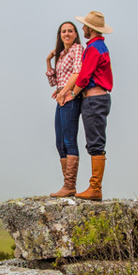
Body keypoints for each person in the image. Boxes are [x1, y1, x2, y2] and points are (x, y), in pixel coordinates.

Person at [55, 10, 113, 201]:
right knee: (94, 142)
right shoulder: (96, 46)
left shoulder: (94, 48)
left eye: (84, 26)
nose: (82, 28)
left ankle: (95, 188)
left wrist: (71, 93)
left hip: (94, 99)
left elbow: (84, 75)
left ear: (91, 28)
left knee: (95, 143)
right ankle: (92, 186)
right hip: (94, 99)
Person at [45, 20, 83, 197]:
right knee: (59, 142)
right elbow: (54, 82)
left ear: (75, 34)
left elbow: (77, 73)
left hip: (70, 99)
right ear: (60, 35)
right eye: (63, 32)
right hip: (61, 98)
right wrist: (48, 61)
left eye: (70, 31)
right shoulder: (61, 54)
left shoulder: (77, 49)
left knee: (69, 141)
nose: (66, 34)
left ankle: (70, 186)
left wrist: (65, 92)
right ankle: (66, 185)